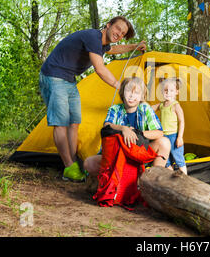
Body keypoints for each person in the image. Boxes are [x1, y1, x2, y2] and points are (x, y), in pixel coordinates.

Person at [39, 16, 147, 182]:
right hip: (54, 75)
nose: (119, 34)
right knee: (60, 123)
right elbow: (100, 69)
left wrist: (134, 46)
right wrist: (122, 87)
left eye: (123, 33)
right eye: (118, 29)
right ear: (108, 25)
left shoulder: (101, 45)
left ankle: (74, 163)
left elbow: (113, 50)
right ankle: (68, 167)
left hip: (69, 79)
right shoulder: (93, 37)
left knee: (74, 122)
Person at [83, 77, 171, 177]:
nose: (132, 96)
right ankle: (116, 180)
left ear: (142, 96)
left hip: (140, 153)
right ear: (122, 93)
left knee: (164, 142)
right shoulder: (115, 109)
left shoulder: (145, 108)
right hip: (117, 155)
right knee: (88, 163)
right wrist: (124, 129)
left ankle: (152, 179)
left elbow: (159, 132)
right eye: (128, 91)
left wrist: (137, 132)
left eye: (136, 93)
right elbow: (106, 126)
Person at [151, 78, 186, 174]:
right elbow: (150, 109)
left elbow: (181, 121)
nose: (168, 93)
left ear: (176, 92)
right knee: (166, 161)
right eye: (165, 90)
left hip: (173, 137)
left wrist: (180, 137)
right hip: (163, 137)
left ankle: (186, 179)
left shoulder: (175, 105)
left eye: (171, 90)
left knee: (179, 159)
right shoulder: (161, 105)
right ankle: (172, 178)